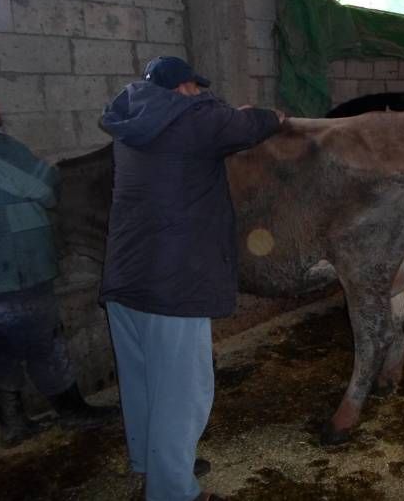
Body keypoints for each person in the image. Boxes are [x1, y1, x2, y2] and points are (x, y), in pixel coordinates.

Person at [98, 56, 285, 501]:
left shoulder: (129, 122)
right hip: (173, 283)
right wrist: (277, 116)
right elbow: (253, 124)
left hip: (126, 276)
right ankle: (173, 492)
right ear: (182, 88)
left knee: (142, 381)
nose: (200, 94)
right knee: (183, 393)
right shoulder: (192, 119)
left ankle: (151, 463)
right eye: (195, 88)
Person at [0, 79, 118, 448]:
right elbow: (45, 185)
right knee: (44, 340)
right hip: (15, 266)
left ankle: (13, 423)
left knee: (2, 346)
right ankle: (73, 411)